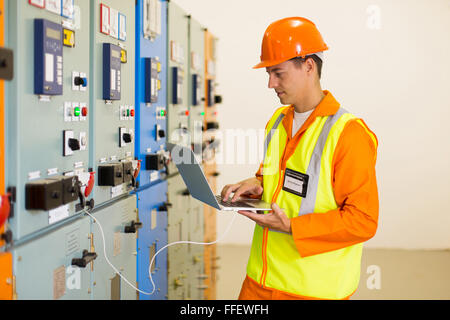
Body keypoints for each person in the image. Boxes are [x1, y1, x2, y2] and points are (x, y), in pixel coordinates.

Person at [221, 17, 379, 300]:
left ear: (308, 66)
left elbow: (363, 220)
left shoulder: (348, 133)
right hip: (259, 280)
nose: (270, 83)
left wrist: (292, 227)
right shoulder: (278, 121)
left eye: (278, 73)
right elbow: (274, 177)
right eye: (268, 73)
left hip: (311, 291)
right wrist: (255, 184)